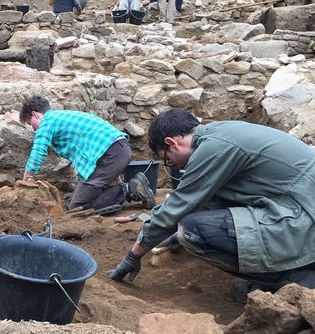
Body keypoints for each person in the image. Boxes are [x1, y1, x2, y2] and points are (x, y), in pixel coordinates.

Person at [108, 109, 315, 296]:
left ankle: (291, 279)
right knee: (193, 225)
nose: (174, 164)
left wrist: (133, 255)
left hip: (304, 213)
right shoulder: (221, 132)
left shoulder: (213, 147)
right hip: (299, 204)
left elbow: (178, 205)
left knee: (192, 230)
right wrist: (169, 233)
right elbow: (211, 201)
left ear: (172, 143)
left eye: (168, 159)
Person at [19, 95, 155, 212]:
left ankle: (130, 189)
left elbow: (38, 151)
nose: (34, 129)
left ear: (34, 114)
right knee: (72, 198)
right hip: (114, 150)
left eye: (31, 124)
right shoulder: (60, 117)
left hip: (111, 154)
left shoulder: (47, 122)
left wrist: (26, 179)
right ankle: (116, 189)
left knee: (77, 206)